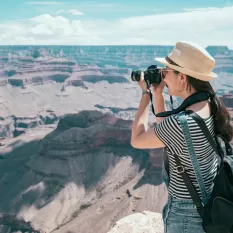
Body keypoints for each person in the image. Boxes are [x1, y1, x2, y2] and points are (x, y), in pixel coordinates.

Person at [130, 41, 233, 233]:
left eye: (167, 71)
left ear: (183, 78)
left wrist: (146, 94)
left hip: (187, 216)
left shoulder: (180, 122)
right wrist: (158, 93)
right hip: (208, 202)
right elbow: (169, 134)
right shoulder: (208, 103)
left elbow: (137, 139)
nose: (163, 76)